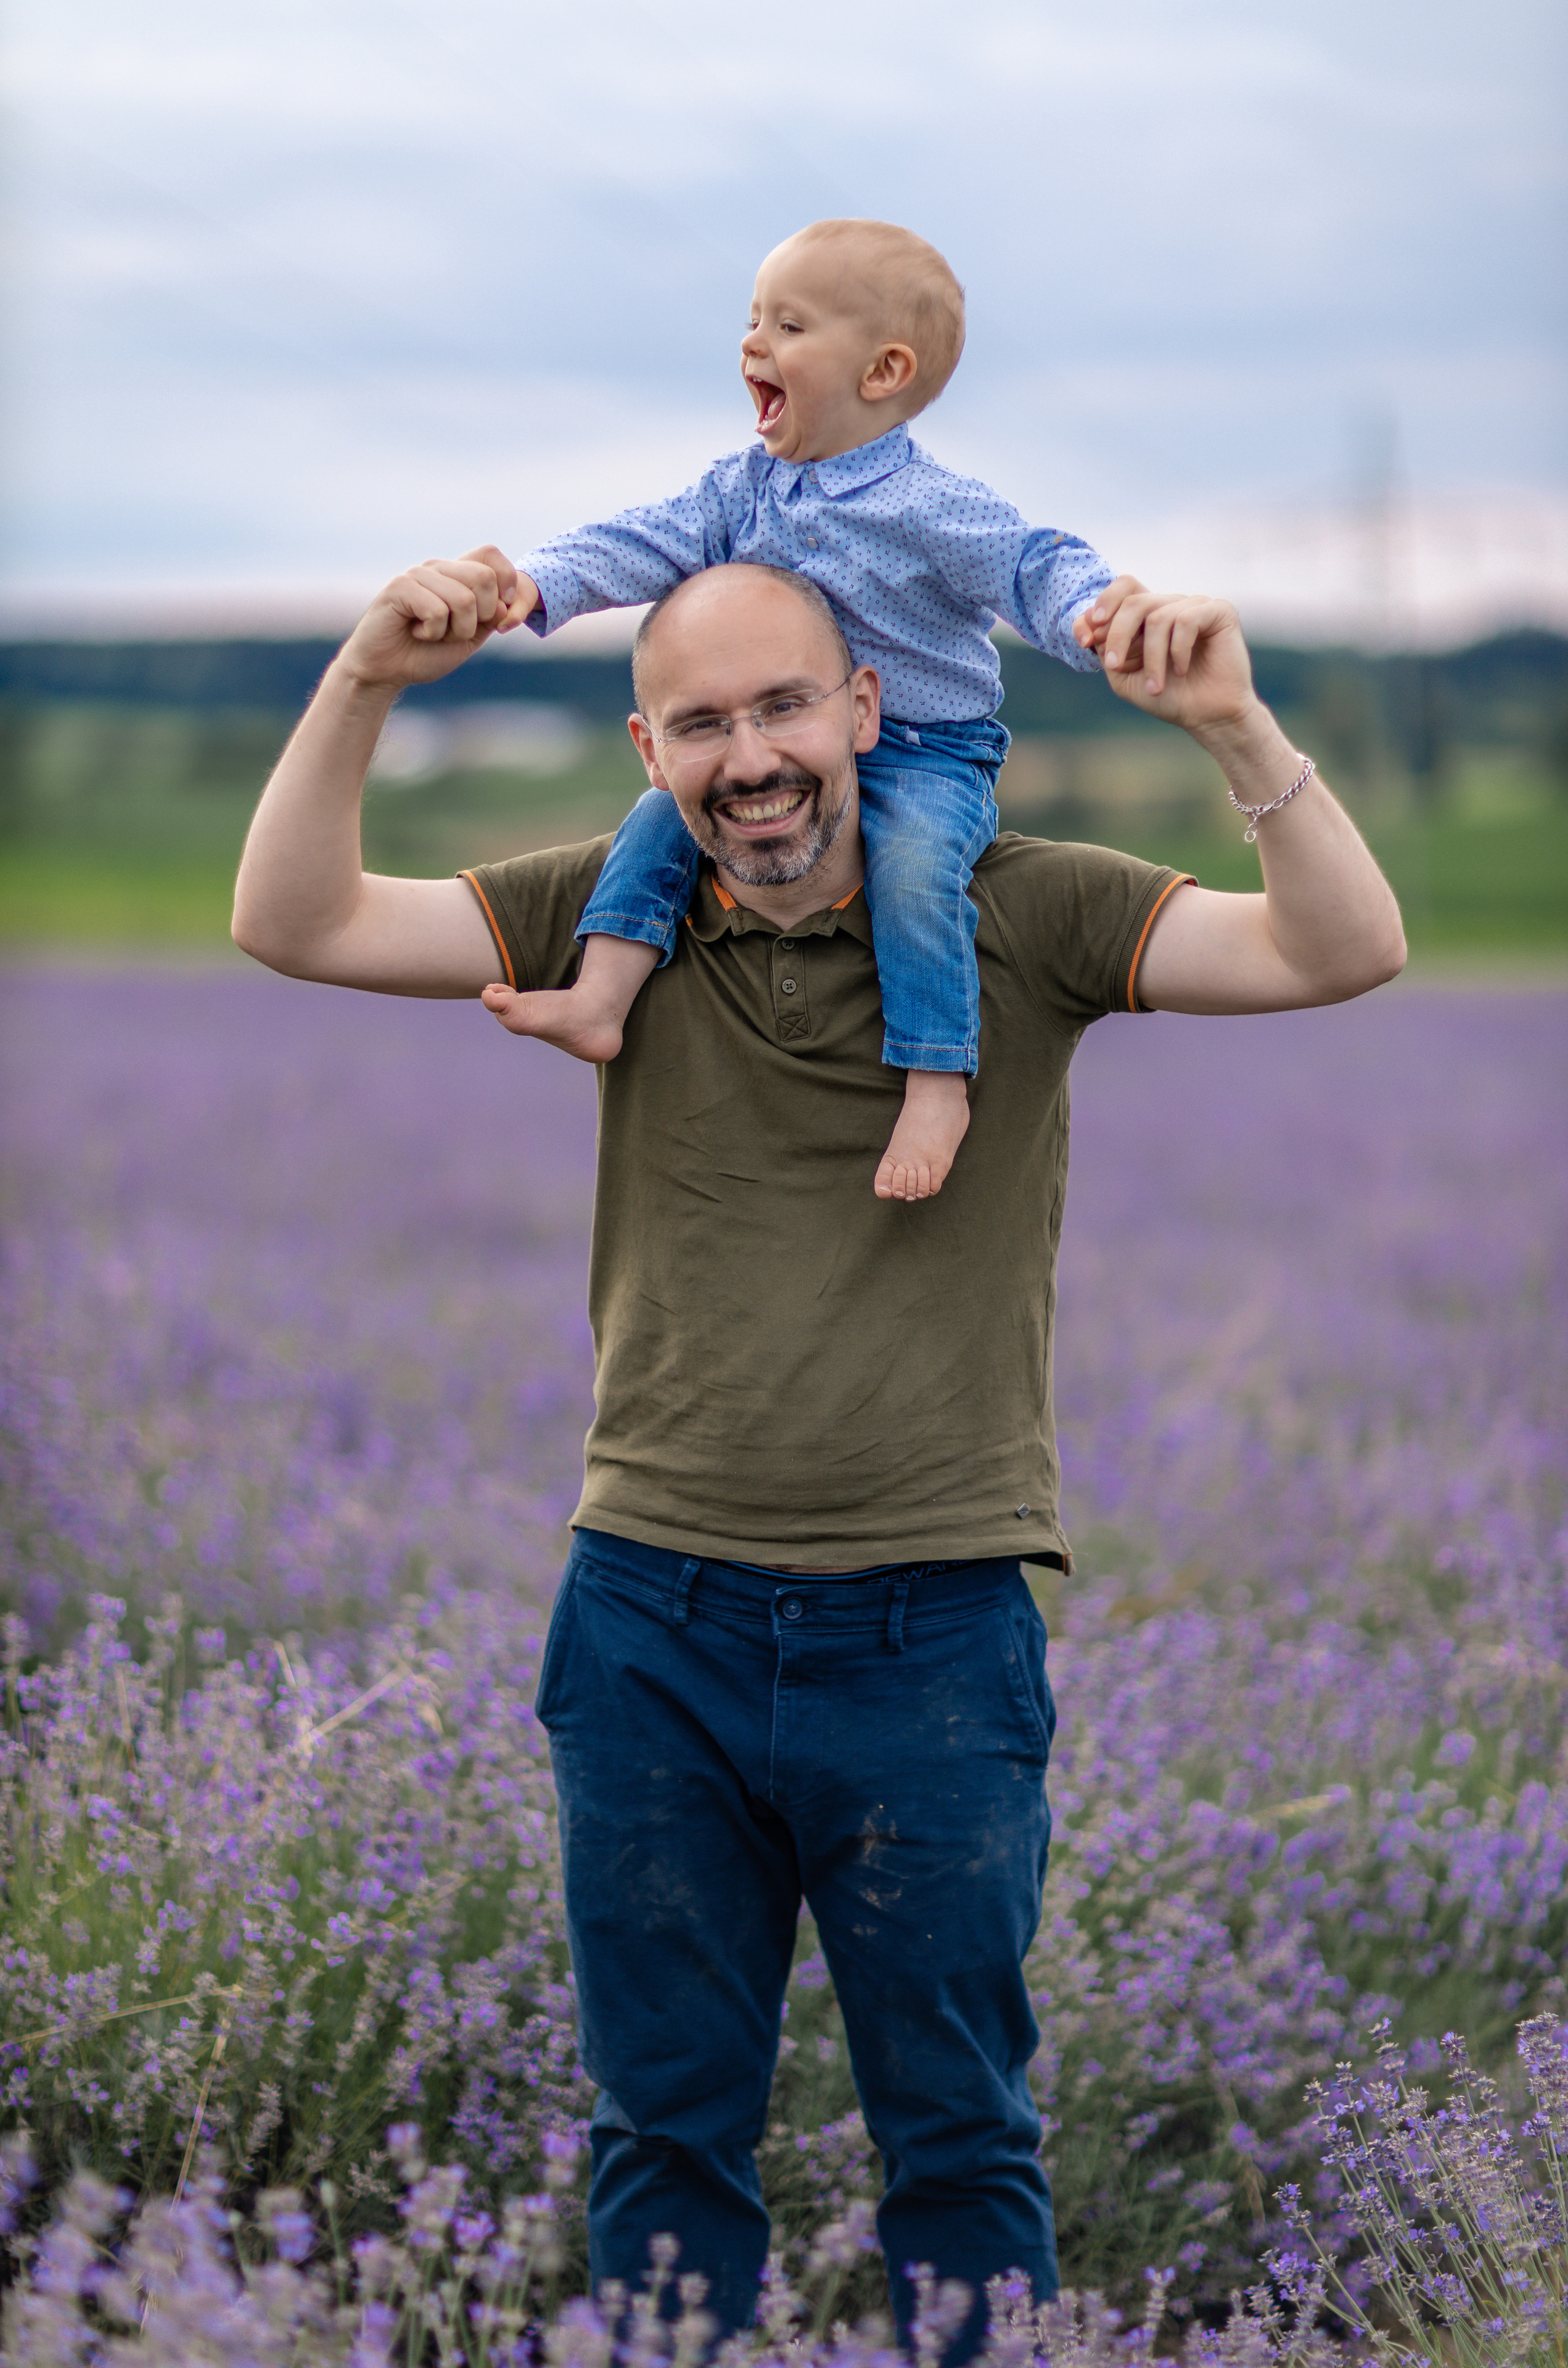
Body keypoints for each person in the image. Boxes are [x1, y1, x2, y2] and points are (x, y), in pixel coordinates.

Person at [231, 553, 1405, 2361]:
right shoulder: (617, 916)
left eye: (785, 705)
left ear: (866, 709)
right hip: (648, 1627)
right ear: (649, 749)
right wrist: (365, 679)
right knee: (661, 2136)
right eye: (700, 724)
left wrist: (1236, 726)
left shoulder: (1025, 914)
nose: (750, 757)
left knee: (959, 2137)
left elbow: (1344, 950)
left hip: (929, 1633)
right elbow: (294, 925)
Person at [485, 218, 1119, 1204]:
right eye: (751, 322)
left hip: (926, 752)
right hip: (794, 745)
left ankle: (936, 1076)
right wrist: (536, 585)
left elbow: (1033, 562)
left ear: (882, 371)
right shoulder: (740, 492)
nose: (751, 346)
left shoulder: (928, 503)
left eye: (787, 326)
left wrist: (1095, 617)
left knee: (913, 872)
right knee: (657, 821)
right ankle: (602, 999)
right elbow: (640, 541)